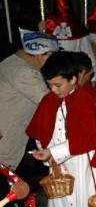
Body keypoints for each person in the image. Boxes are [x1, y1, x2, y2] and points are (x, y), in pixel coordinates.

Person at [26, 51, 96, 207]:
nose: (53, 90)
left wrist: (53, 152)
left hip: (82, 163)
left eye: (57, 85)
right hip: (57, 163)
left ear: (73, 79)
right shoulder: (49, 100)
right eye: (49, 85)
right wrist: (44, 150)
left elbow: (88, 138)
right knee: (63, 201)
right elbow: (41, 129)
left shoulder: (86, 100)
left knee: (87, 200)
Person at [0, 29, 59, 172]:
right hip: (4, 142)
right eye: (51, 56)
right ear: (40, 55)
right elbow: (51, 103)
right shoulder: (25, 72)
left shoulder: (11, 61)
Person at [42, 0, 96, 85]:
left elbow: (89, 55)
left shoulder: (78, 27)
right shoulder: (48, 25)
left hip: (73, 76)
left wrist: (93, 79)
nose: (63, 10)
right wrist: (41, 31)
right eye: (59, 8)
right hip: (53, 75)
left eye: (66, 8)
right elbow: (41, 52)